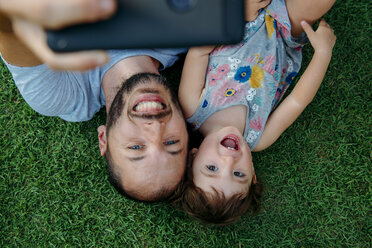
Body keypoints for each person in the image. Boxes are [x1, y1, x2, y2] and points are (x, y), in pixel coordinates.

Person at [0, 0, 189, 202]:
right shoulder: (191, 30)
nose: (154, 128)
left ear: (103, 139)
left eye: (136, 147)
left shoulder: (60, 96)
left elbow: (7, 22)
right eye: (170, 142)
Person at [176, 0, 336, 224]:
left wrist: (239, 13)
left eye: (212, 168)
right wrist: (323, 52)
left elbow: (199, 51)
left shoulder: (192, 107)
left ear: (193, 157)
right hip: (284, 32)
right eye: (238, 175)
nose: (228, 160)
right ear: (252, 175)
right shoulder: (259, 138)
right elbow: (297, 101)